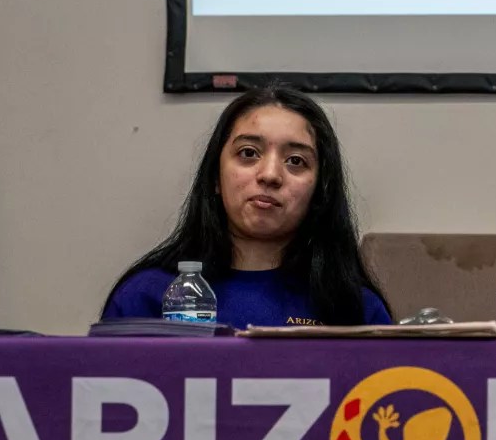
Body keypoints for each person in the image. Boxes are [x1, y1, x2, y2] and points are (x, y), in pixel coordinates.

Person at [103, 87, 391, 328]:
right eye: (248, 153)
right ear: (215, 177)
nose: (270, 175)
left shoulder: (356, 308)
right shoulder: (146, 296)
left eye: (295, 161)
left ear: (320, 190)